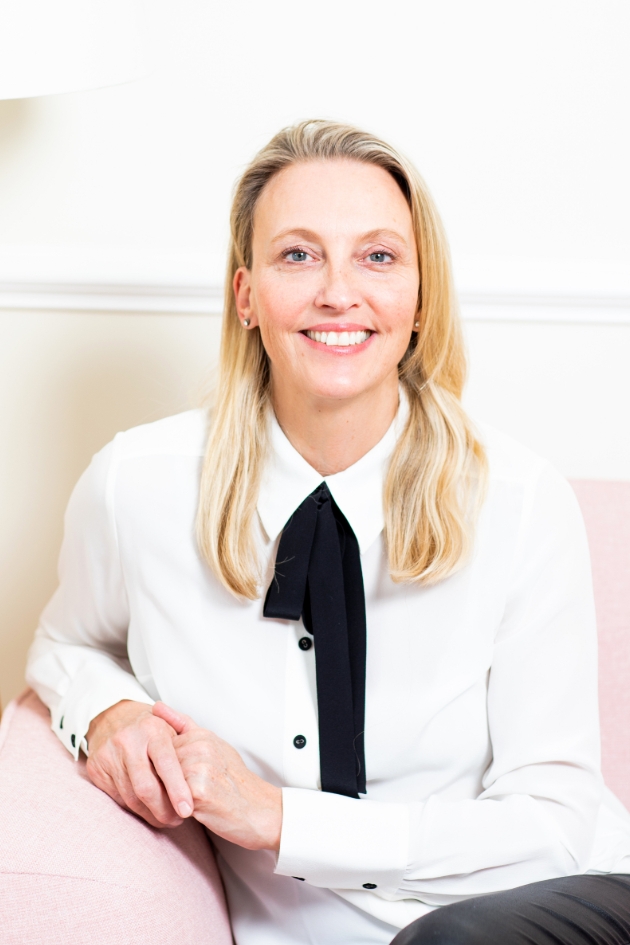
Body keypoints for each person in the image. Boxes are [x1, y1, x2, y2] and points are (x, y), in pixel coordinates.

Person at [26, 120, 630, 945]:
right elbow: (65, 643)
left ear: (421, 298)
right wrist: (109, 713)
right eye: (298, 255)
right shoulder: (137, 485)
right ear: (246, 296)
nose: (338, 292)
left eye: (377, 256)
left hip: (552, 906)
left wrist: (280, 818)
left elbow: (554, 825)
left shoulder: (520, 501)